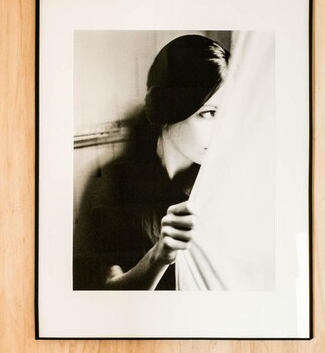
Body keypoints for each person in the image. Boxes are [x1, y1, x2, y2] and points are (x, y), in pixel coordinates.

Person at [81, 35, 229, 290]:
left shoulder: (219, 179)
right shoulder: (114, 182)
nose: (221, 131)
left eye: (226, 114)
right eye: (208, 113)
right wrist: (160, 255)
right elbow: (108, 291)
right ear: (170, 109)